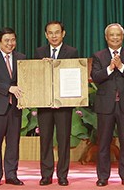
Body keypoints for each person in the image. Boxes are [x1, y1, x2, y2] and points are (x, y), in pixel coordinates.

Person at [91, 23, 124, 187]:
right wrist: (111, 68)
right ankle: (103, 177)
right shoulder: (99, 56)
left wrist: (121, 66)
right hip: (105, 105)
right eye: (111, 35)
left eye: (117, 35)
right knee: (104, 143)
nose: (114, 38)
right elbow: (96, 76)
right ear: (106, 37)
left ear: (122, 37)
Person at [34, 21, 79, 187]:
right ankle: (46, 175)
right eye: (50, 33)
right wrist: (42, 67)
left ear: (63, 33)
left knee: (63, 140)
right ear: (46, 35)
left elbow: (74, 75)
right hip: (44, 104)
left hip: (64, 105)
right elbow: (36, 77)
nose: (54, 36)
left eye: (57, 32)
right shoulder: (39, 52)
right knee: (45, 140)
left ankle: (62, 175)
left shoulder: (72, 52)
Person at [0, 27, 27, 186]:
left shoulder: (21, 57)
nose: (10, 43)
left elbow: (26, 79)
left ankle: (11, 175)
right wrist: (9, 88)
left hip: (15, 107)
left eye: (13, 40)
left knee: (13, 143)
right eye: (7, 40)